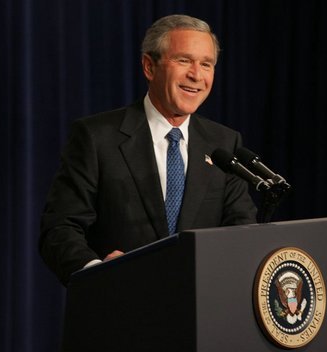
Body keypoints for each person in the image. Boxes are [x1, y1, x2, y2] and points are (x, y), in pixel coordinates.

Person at [39, 14, 257, 285]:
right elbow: (59, 228)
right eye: (184, 60)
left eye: (206, 64)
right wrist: (98, 272)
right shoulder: (96, 137)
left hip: (202, 311)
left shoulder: (224, 143)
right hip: (119, 304)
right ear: (149, 67)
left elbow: (241, 230)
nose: (196, 75)